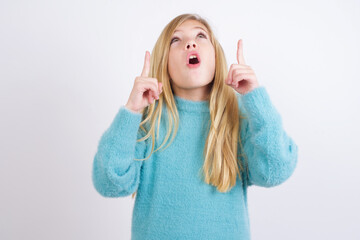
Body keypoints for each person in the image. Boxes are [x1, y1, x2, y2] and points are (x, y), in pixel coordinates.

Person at [92, 13, 298, 240]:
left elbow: (276, 170)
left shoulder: (239, 117)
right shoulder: (148, 123)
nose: (190, 43)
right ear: (164, 64)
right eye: (176, 40)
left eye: (201, 36)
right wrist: (131, 110)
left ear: (217, 57)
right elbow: (109, 183)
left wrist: (256, 99)